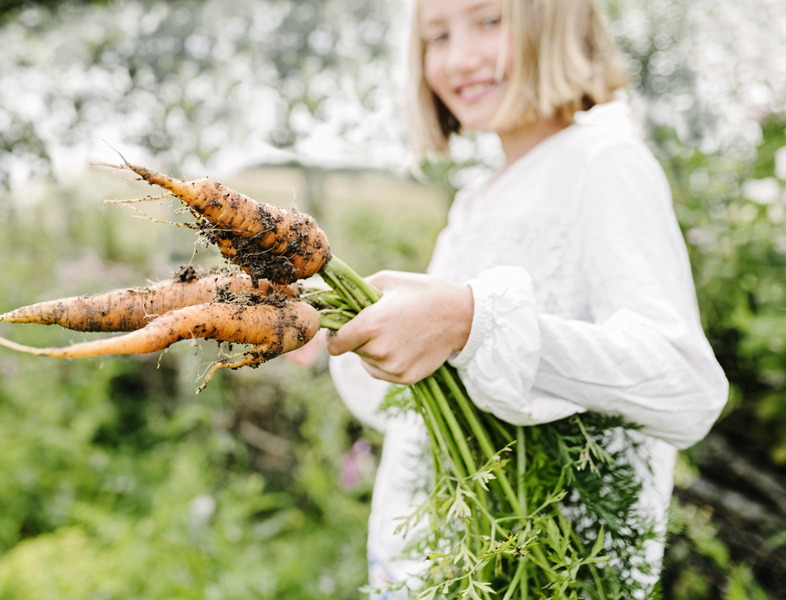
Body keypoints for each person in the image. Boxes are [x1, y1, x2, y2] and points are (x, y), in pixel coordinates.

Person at [295, 0, 729, 596]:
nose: (460, 57)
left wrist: (473, 321)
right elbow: (421, 406)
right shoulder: (475, 200)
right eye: (437, 35)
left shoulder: (605, 163)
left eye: (489, 21)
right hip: (442, 569)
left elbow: (686, 387)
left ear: (557, 21)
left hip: (553, 577)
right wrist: (347, 333)